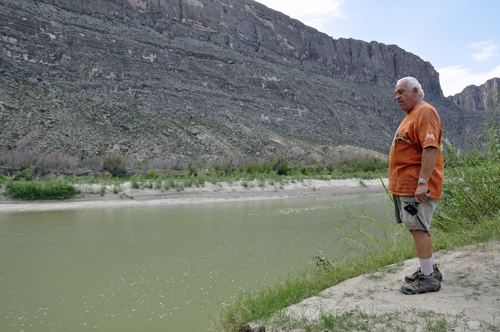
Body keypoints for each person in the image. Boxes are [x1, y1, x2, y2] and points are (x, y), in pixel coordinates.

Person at [389, 77, 444, 295]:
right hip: (406, 186)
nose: (397, 97)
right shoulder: (412, 115)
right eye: (395, 93)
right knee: (416, 228)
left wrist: (422, 183)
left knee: (418, 228)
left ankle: (429, 279)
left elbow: (430, 148)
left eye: (401, 92)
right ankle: (429, 270)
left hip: (416, 188)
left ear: (415, 91)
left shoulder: (424, 112)